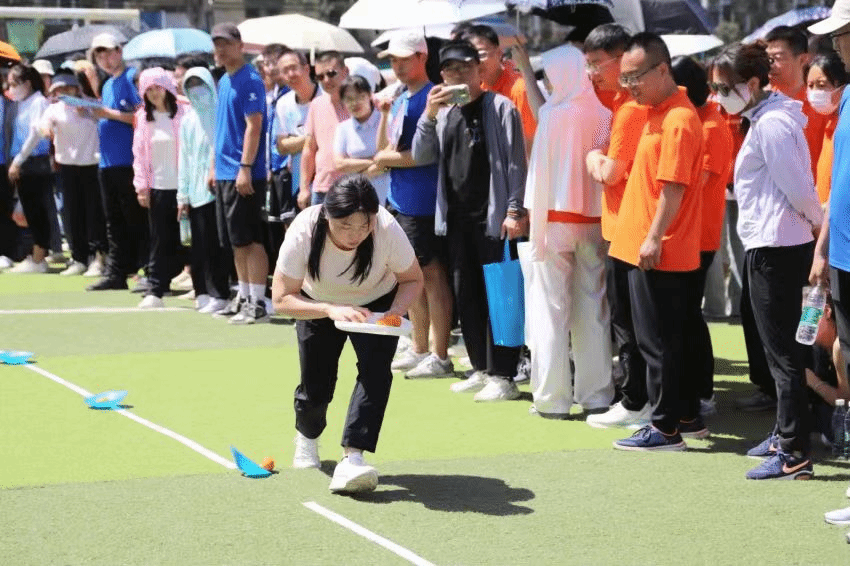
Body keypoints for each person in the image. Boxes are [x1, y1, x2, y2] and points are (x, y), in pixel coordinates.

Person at [710, 42, 822, 479]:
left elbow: (799, 189)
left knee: (784, 354)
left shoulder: (772, 124)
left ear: (753, 83)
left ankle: (793, 452)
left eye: (725, 88)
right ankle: (786, 436)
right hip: (776, 244)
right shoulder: (768, 119)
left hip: (777, 248)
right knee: (785, 350)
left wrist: (817, 227)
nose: (719, 96)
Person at [272, 175, 423, 493]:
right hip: (317, 303)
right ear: (327, 214)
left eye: (364, 226)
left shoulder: (386, 228)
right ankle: (307, 436)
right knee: (316, 381)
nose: (355, 235)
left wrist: (394, 313)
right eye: (345, 226)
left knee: (376, 372)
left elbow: (413, 279)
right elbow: (281, 299)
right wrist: (329, 309)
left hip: (375, 304)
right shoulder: (304, 229)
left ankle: (354, 455)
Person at [412, 40, 527, 402]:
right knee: (467, 295)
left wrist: (514, 210)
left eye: (465, 67)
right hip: (457, 221)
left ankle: (504, 375)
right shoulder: (445, 114)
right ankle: (481, 367)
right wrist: (429, 114)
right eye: (450, 69)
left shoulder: (501, 107)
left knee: (501, 296)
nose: (458, 75)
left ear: (479, 70)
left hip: (493, 219)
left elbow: (516, 163)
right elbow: (421, 154)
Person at [607, 33, 705, 451]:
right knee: (666, 337)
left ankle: (665, 427)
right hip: (647, 244)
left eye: (635, 76)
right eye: (624, 77)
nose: (629, 85)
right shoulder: (657, 111)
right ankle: (684, 417)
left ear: (662, 70)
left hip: (658, 249)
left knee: (657, 341)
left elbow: (673, 187)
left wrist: (652, 239)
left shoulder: (677, 118)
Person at [519, 44, 614, 418]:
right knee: (593, 309)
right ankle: (597, 396)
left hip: (554, 221)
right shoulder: (604, 114)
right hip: (594, 222)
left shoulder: (553, 115)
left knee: (549, 311)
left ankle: (552, 399)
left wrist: (535, 228)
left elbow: (539, 175)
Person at [582, 24, 653, 429]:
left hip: (628, 228)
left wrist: (593, 157)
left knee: (629, 323)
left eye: (597, 63)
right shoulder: (630, 104)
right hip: (630, 226)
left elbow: (610, 172)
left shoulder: (629, 109)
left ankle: (636, 400)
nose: (592, 73)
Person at [376, 30, 454, 379]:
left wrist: (387, 159)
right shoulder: (399, 97)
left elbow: (426, 154)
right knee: (409, 276)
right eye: (393, 60)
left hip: (423, 200)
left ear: (422, 57)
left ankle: (440, 354)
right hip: (398, 198)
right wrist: (383, 115)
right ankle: (420, 347)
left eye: (403, 59)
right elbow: (383, 150)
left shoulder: (433, 95)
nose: (397, 66)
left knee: (432, 275)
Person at [672, 56, 734, 416]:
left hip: (699, 236)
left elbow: (697, 181)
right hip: (691, 234)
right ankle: (696, 389)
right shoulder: (700, 118)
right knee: (686, 315)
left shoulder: (710, 125)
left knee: (689, 317)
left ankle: (702, 392)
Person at [810, 0, 850, 516]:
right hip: (841, 253)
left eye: (844, 33)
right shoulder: (849, 98)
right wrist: (822, 249)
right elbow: (838, 183)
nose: (837, 43)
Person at [210, 23, 270, 324]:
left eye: (226, 43)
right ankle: (244, 296)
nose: (220, 49)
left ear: (240, 46)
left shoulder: (250, 79)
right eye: (217, 44)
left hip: (243, 172)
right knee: (235, 241)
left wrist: (245, 168)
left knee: (250, 239)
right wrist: (214, 167)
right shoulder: (224, 80)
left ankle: (257, 302)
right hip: (225, 172)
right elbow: (221, 128)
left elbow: (254, 126)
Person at [87, 32, 148, 292]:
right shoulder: (108, 84)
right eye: (99, 55)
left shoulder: (132, 78)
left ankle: (147, 270)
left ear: (119, 51)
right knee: (114, 222)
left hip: (129, 161)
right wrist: (96, 113)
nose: (105, 59)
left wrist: (108, 113)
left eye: (108, 52)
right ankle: (117, 272)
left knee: (136, 219)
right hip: (108, 162)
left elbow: (142, 116)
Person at [35, 72, 105, 277]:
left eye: (67, 88)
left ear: (76, 89)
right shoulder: (54, 109)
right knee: (73, 213)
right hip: (67, 166)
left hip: (92, 164)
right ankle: (79, 258)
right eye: (59, 90)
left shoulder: (91, 105)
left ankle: (99, 258)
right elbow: (43, 125)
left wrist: (89, 113)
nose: (63, 93)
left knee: (94, 214)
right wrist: (46, 131)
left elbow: (104, 118)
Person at [132, 67, 187, 308]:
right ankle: (156, 289)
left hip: (185, 187)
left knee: (189, 238)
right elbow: (139, 155)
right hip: (158, 187)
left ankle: (203, 288)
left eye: (158, 87)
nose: (154, 93)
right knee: (159, 240)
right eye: (149, 89)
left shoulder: (185, 112)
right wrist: (141, 187)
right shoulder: (143, 117)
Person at [179, 67, 231, 315]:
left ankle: (219, 293)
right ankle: (201, 291)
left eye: (200, 84)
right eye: (191, 85)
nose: (197, 90)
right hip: (195, 193)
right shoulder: (187, 120)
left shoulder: (221, 113)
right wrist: (182, 194)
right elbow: (184, 158)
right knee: (198, 246)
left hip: (217, 189)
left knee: (216, 246)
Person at [5, 64, 52, 273]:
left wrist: (18, 160)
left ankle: (39, 257)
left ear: (28, 83)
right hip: (23, 161)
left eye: (15, 84)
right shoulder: (20, 104)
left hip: (34, 162)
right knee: (29, 210)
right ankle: (34, 254)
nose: (11, 88)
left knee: (36, 210)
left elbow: (36, 134)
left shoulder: (39, 102)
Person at [765, 26, 826, 178]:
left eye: (777, 58)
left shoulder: (820, 102)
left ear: (803, 59)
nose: (770, 65)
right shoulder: (761, 102)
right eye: (767, 59)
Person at [463, 24, 536, 151]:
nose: (477, 62)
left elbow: (530, 142)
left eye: (481, 54)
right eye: (471, 56)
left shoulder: (519, 89)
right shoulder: (476, 88)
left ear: (499, 53)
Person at [298, 51, 350, 208]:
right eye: (320, 77)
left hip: (353, 187)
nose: (326, 80)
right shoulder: (316, 104)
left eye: (331, 73)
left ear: (345, 72)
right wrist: (304, 188)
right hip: (322, 188)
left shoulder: (364, 102)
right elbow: (309, 149)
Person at [275, 48, 321, 221]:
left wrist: (295, 141)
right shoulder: (283, 104)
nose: (290, 74)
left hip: (327, 180)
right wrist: (312, 138)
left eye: (293, 68)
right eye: (284, 71)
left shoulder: (326, 97)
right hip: (299, 183)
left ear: (307, 68)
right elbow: (281, 146)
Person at [333, 75, 390, 204]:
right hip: (358, 199)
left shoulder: (386, 119)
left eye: (360, 96)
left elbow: (391, 161)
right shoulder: (343, 128)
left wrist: (356, 168)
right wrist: (376, 161)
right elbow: (339, 164)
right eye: (349, 99)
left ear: (370, 95)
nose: (355, 103)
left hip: (387, 197)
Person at [807, 52, 849, 205]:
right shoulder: (830, 124)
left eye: (821, 85)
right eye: (810, 86)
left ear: (840, 85)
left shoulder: (844, 126)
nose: (814, 92)